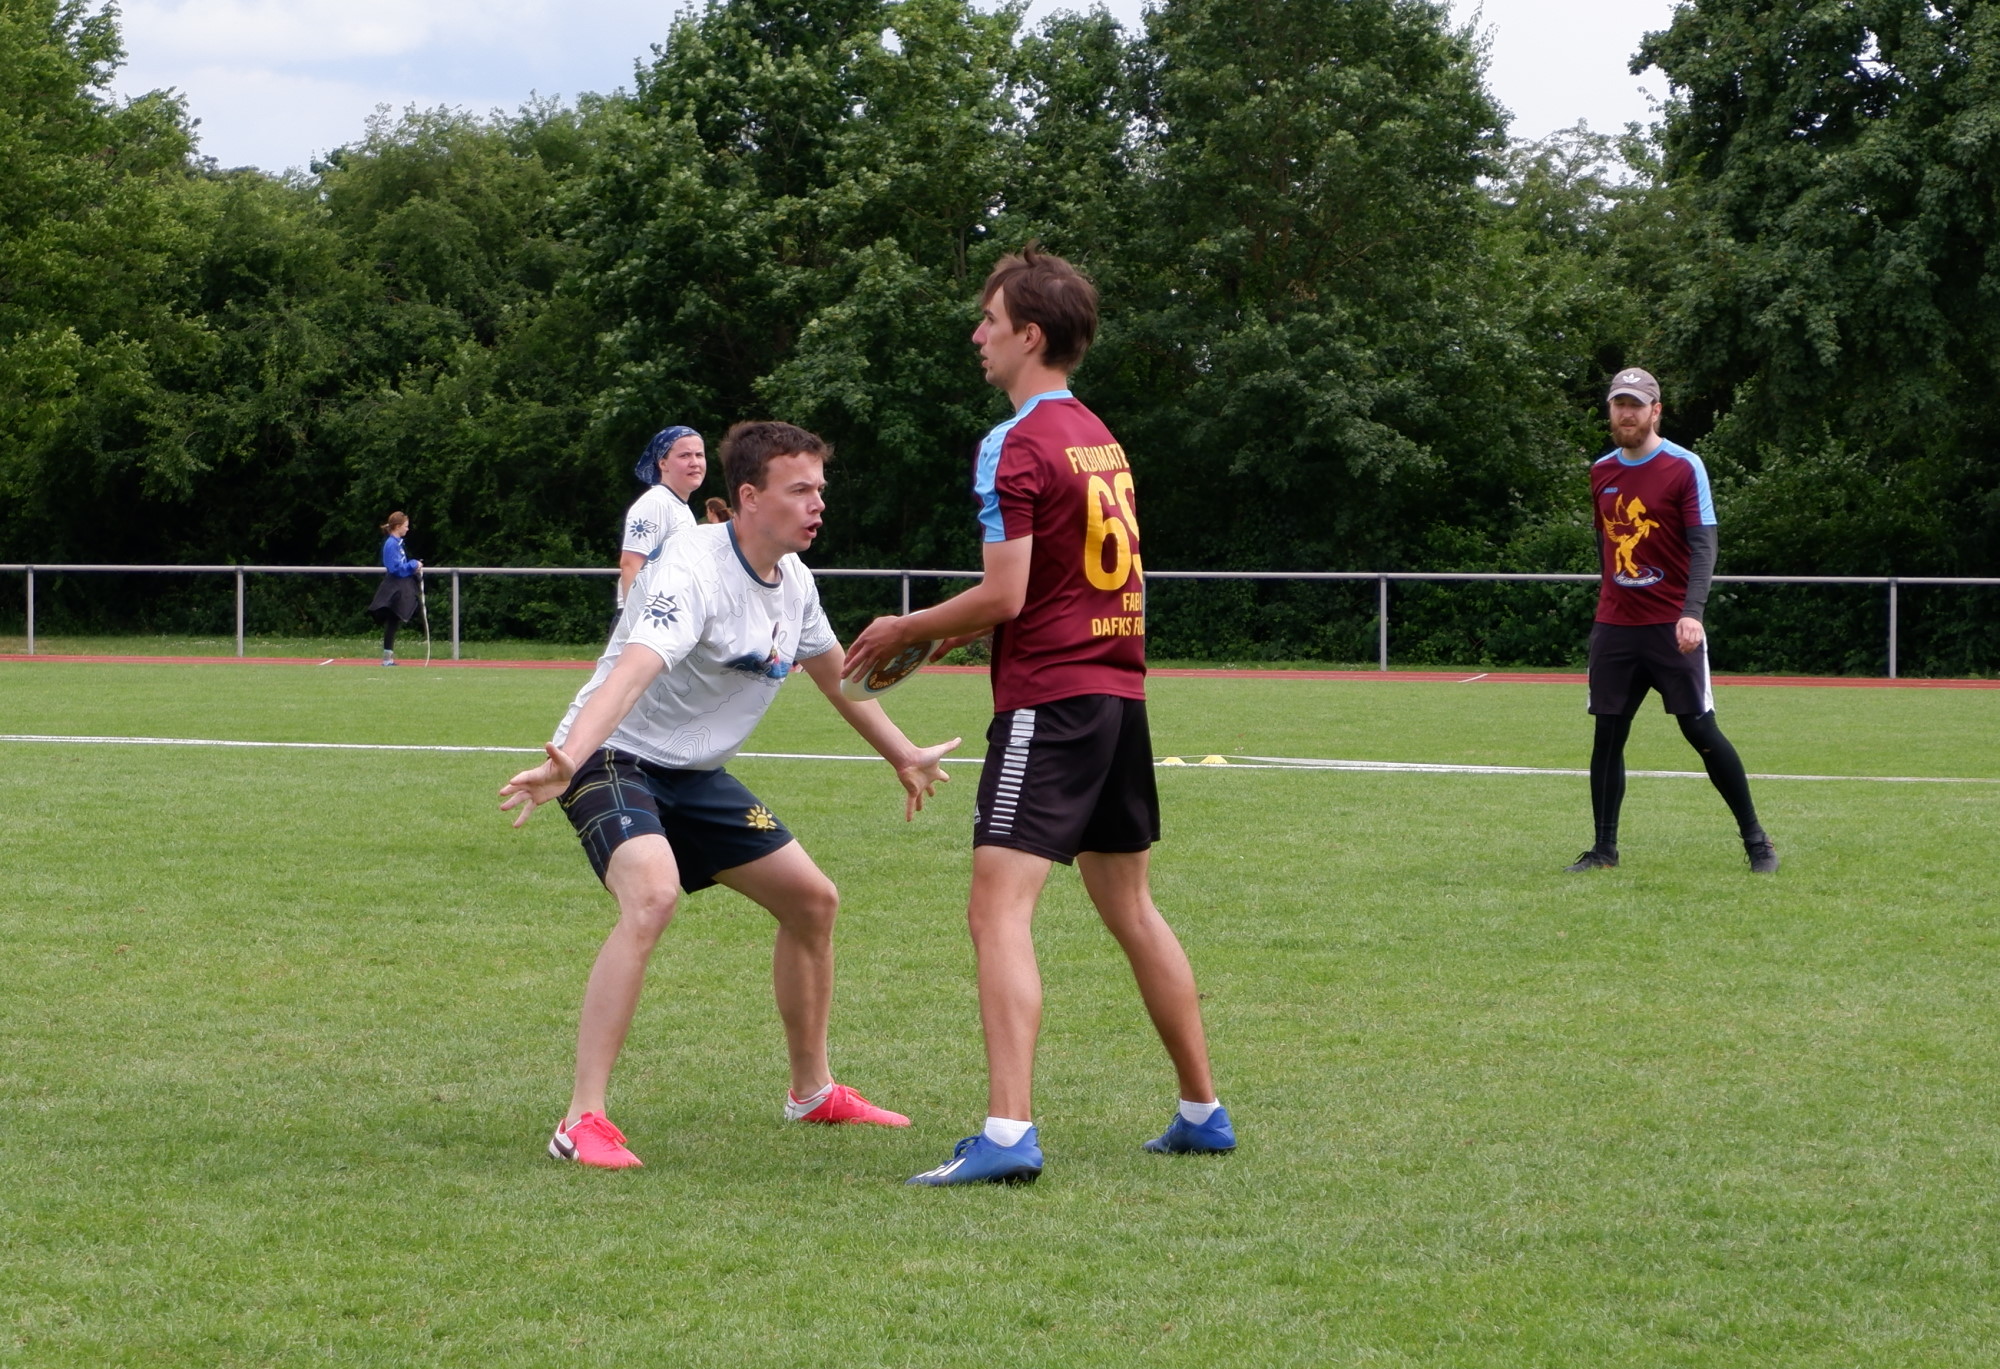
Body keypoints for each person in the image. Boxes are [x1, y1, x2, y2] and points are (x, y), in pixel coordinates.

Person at [844, 247, 1232, 1187]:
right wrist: (951, 633)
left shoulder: (1012, 441)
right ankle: (1201, 1111)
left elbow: (1007, 594)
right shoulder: (1099, 434)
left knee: (996, 909)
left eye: (988, 319)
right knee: (1131, 906)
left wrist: (907, 626)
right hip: (1118, 697)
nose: (976, 334)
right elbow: (1060, 582)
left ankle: (1009, 1132)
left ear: (1029, 334)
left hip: (1050, 703)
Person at [500, 419, 959, 1169]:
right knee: (652, 897)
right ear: (748, 497)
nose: (818, 504)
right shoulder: (691, 568)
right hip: (612, 756)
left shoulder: (795, 581)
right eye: (799, 490)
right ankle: (581, 1120)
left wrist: (903, 754)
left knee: (813, 900)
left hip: (697, 774)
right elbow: (631, 673)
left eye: (820, 489)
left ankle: (811, 1091)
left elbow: (839, 678)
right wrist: (568, 759)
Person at [1567, 367, 1779, 875]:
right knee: (1607, 737)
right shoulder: (1601, 472)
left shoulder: (1684, 466)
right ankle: (1603, 850)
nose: (1627, 413)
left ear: (1655, 411)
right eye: (1619, 404)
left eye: (1636, 405)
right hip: (1616, 626)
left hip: (1670, 626)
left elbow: (1704, 545)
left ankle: (1757, 843)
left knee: (1700, 730)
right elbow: (1604, 544)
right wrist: (1610, 601)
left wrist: (1691, 613)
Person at [617, 425, 707, 611]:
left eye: (699, 455)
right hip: (648, 619)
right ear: (663, 464)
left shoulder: (678, 506)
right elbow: (631, 564)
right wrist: (639, 621)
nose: (694, 462)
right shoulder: (655, 503)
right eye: (685, 455)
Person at [366, 512, 422, 666]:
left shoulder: (398, 543)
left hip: (401, 585)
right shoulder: (391, 544)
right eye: (406, 526)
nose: (408, 529)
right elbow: (395, 568)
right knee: (392, 619)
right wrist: (413, 564)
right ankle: (387, 659)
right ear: (397, 527)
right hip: (394, 585)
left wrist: (413, 568)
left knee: (394, 620)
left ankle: (387, 658)